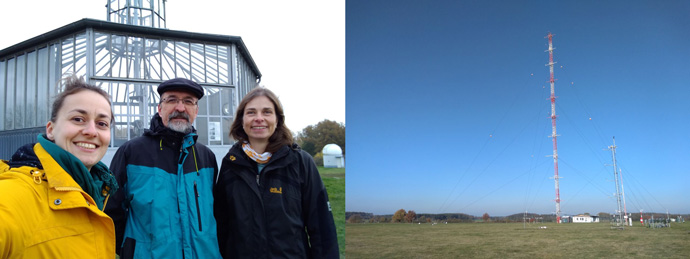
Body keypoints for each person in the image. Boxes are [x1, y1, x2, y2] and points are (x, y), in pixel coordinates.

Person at [0, 76, 118, 258]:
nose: (91, 131)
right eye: (78, 119)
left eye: (102, 124)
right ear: (50, 130)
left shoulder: (97, 190)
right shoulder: (16, 193)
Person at [214, 87, 339, 258]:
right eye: (251, 112)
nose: (259, 119)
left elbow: (323, 230)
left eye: (267, 112)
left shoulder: (301, 162)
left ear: (278, 119)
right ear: (242, 120)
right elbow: (222, 225)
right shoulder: (230, 164)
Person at [104, 78, 221, 258]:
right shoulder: (131, 153)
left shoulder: (206, 158)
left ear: (196, 111)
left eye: (188, 101)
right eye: (172, 100)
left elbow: (217, 215)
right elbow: (111, 214)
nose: (180, 108)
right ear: (160, 109)